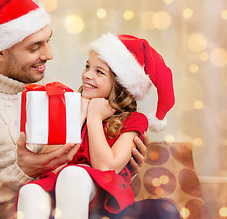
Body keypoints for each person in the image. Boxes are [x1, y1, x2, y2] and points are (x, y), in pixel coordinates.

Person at [0, 0, 148, 219]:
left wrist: (120, 172)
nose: (49, 54)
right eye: (34, 47)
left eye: (47, 41)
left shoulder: (56, 94)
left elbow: (83, 170)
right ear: (0, 51)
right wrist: (21, 172)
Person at [15, 33, 178, 219]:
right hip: (61, 189)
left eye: (99, 72)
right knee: (30, 192)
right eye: (87, 67)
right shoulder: (70, 107)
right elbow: (49, 162)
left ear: (120, 83)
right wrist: (80, 116)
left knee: (73, 174)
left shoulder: (134, 120)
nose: (87, 75)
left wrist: (94, 117)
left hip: (103, 196)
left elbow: (105, 168)